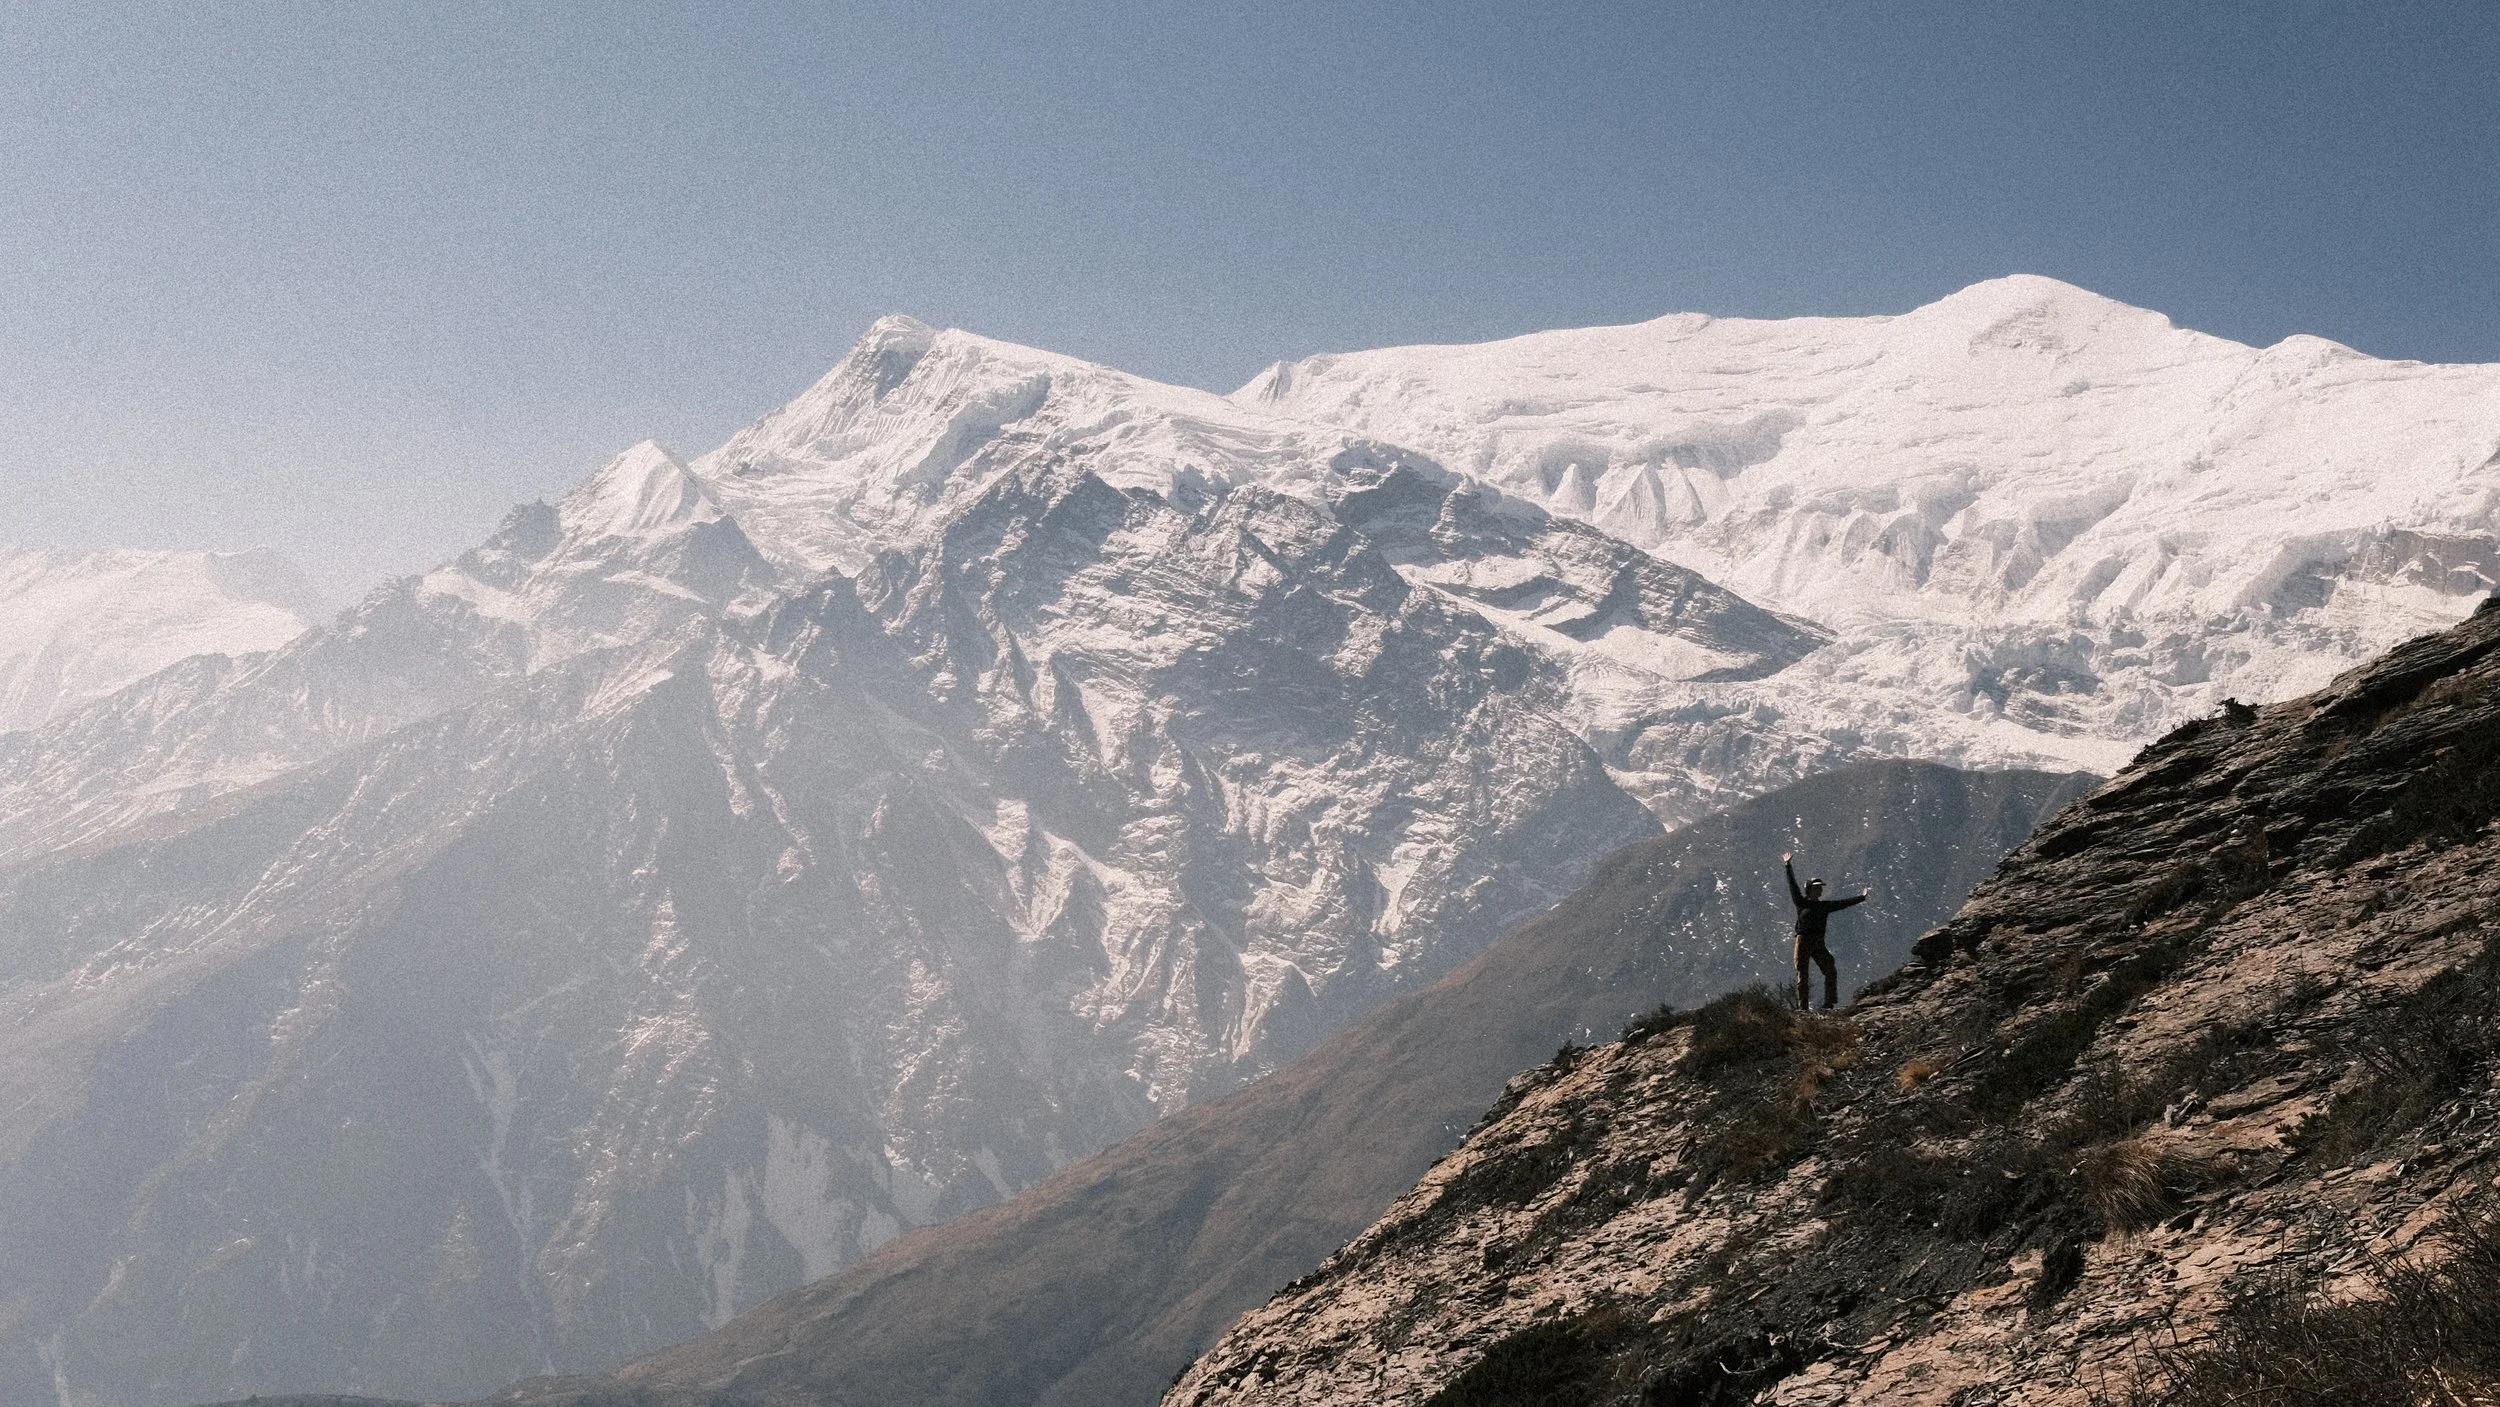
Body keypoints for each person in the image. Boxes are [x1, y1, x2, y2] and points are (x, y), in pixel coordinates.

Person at [1782, 851, 1870, 1011]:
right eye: (1817, 888)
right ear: (1809, 890)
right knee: (1802, 975)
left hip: (1817, 942)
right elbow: (1792, 886)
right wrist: (1788, 866)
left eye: (1820, 888)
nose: (1820, 890)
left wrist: (1861, 898)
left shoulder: (1824, 906)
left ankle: (1829, 1003)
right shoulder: (1802, 903)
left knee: (1830, 968)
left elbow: (1843, 903)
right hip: (1803, 941)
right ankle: (1803, 1008)